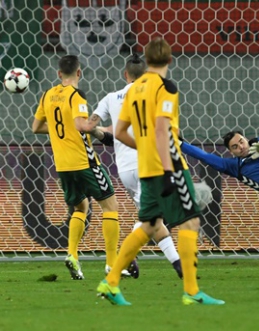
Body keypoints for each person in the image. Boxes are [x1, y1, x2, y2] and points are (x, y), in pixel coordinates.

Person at [96, 38, 224, 306]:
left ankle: (111, 282)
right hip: (170, 165)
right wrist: (168, 169)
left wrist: (144, 150)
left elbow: (119, 133)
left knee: (150, 224)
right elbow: (162, 129)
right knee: (190, 221)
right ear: (169, 60)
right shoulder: (166, 88)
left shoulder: (133, 90)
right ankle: (191, 291)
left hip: (146, 167)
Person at [89, 54, 183, 279]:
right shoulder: (154, 94)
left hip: (125, 170)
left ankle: (179, 264)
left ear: (125, 74)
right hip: (149, 164)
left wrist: (92, 130)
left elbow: (92, 126)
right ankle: (124, 258)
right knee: (151, 218)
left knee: (153, 217)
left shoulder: (111, 97)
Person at [32, 55, 121, 280]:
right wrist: (102, 132)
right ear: (79, 73)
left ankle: (72, 254)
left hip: (62, 165)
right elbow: (81, 124)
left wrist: (57, 129)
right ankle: (111, 264)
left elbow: (36, 127)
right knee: (110, 206)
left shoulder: (47, 95)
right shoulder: (76, 96)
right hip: (84, 161)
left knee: (80, 207)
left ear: (59, 73)